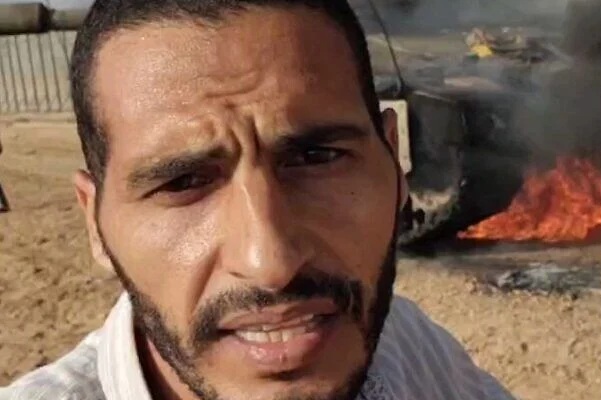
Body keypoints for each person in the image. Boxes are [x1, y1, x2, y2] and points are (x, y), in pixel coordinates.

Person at [0, 1, 515, 399]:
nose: (271, 263)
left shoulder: (408, 347)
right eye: (182, 183)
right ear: (95, 223)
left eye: (316, 157)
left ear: (394, 163)